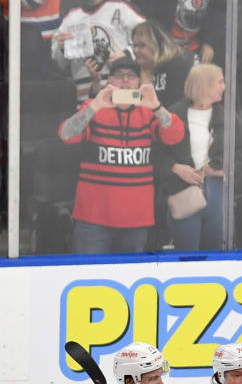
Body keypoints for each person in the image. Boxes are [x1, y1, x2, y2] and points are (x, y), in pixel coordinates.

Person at [59, 55, 186, 254]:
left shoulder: (148, 112)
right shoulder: (94, 108)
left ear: (139, 82)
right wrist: (94, 106)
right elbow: (66, 135)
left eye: (131, 76)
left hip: (136, 220)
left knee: (130, 274)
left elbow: (175, 135)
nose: (125, 80)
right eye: (119, 75)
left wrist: (156, 106)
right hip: (93, 219)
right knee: (90, 273)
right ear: (109, 81)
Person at [162, 63, 228, 250]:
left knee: (214, 256)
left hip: (217, 192)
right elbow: (157, 152)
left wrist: (222, 169)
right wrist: (175, 168)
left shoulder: (226, 114)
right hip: (184, 193)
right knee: (187, 256)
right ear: (204, 84)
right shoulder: (175, 113)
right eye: (220, 82)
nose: (224, 87)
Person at [51, 0, 147, 100]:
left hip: (123, 95)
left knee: (121, 109)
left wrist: (128, 53)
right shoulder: (68, 18)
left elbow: (150, 42)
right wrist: (62, 49)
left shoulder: (123, 8)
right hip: (84, 96)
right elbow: (59, 64)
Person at [131, 21, 192, 105]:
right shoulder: (132, 68)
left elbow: (174, 104)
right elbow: (122, 98)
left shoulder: (176, 67)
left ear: (157, 45)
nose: (135, 50)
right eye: (135, 45)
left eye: (142, 45)